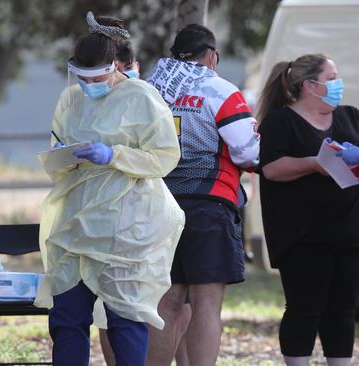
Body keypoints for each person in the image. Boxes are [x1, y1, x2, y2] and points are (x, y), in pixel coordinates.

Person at [34, 11, 184, 366]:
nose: (88, 84)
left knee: (125, 319)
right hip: (75, 223)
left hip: (124, 225)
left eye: (96, 75)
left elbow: (164, 155)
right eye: (81, 76)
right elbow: (57, 142)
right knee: (68, 318)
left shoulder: (141, 97)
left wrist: (114, 155)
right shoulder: (71, 99)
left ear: (115, 65)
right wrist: (62, 156)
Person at [146, 24, 260, 365]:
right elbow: (247, 154)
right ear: (211, 56)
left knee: (165, 302)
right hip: (210, 204)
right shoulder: (221, 90)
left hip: (159, 205)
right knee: (206, 304)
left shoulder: (151, 89)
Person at [256, 53, 359, 366]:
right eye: (331, 78)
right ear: (309, 85)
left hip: (349, 233)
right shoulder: (281, 121)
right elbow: (271, 169)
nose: (337, 84)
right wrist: (315, 163)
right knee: (304, 308)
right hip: (302, 236)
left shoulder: (350, 117)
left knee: (344, 309)